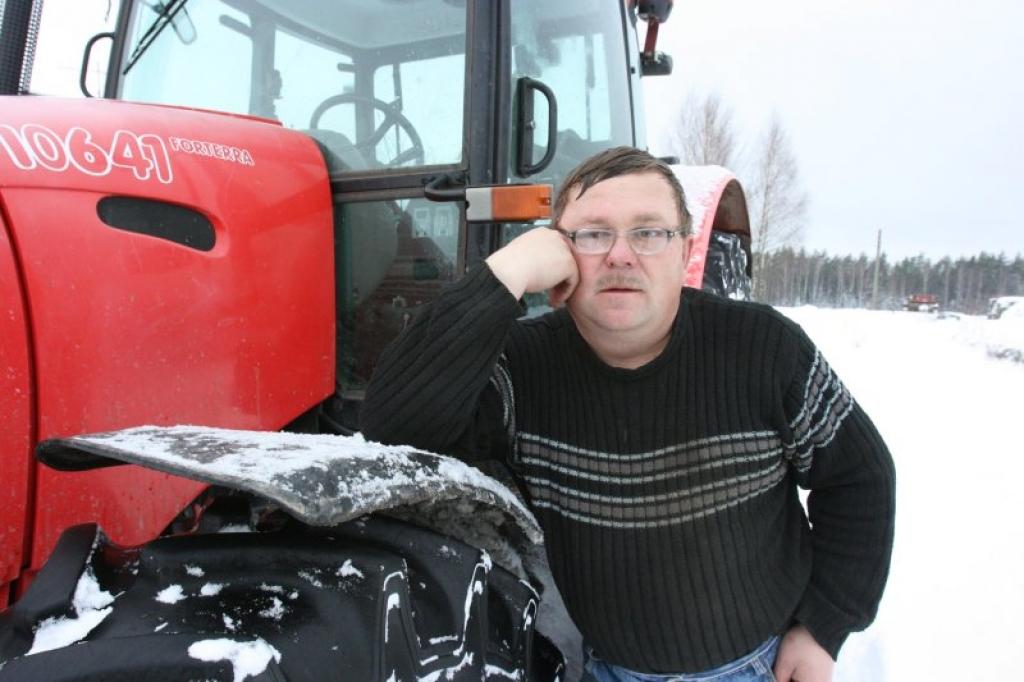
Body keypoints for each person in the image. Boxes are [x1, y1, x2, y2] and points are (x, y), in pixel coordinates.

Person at [360, 146, 895, 682]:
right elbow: (394, 431)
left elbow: (860, 479)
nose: (620, 255)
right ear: (558, 252)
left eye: (649, 232)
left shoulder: (765, 349)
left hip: (756, 667)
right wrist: (508, 271)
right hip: (603, 670)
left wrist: (823, 628)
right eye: (592, 234)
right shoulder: (523, 368)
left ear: (685, 249)